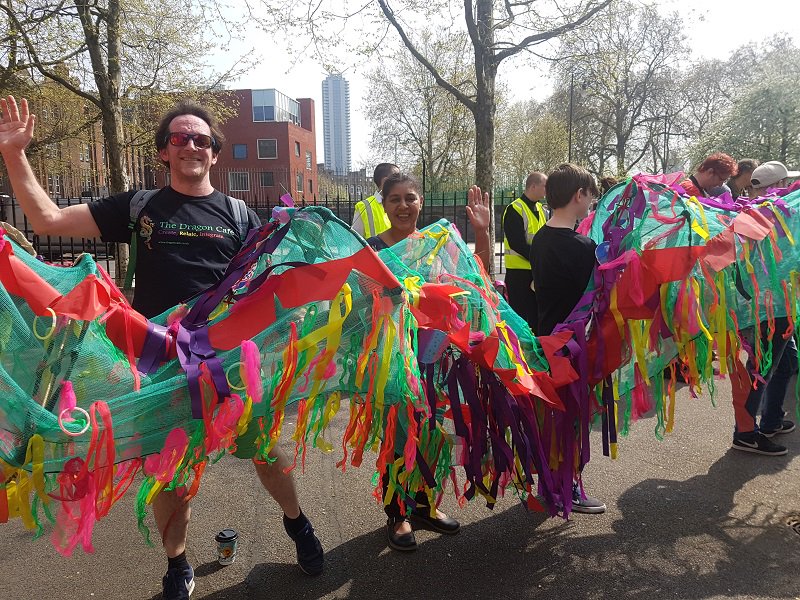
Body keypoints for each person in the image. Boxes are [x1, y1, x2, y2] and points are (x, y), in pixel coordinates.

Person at [0, 96, 324, 599]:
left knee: (263, 449)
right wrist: (14, 153)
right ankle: (177, 564)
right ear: (164, 151)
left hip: (227, 361)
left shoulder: (240, 214)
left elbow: (268, 286)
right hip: (160, 363)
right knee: (169, 470)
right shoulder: (139, 206)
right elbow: (46, 220)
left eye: (201, 139)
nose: (191, 145)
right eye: (180, 138)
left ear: (214, 152)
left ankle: (298, 523)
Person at [366, 172, 491, 550]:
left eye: (410, 198)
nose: (403, 206)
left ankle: (423, 505)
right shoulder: (372, 249)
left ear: (420, 202)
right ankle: (398, 513)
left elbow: (476, 278)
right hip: (393, 358)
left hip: (435, 358)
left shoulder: (436, 244)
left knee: (431, 430)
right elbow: (360, 305)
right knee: (399, 434)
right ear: (384, 205)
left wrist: (482, 231)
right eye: (395, 199)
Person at [529, 163, 606, 514]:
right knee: (571, 418)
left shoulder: (541, 238)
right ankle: (567, 487)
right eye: (590, 196)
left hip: (546, 339)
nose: (591, 203)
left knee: (552, 417)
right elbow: (597, 297)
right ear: (578, 195)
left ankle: (552, 484)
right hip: (572, 346)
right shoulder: (583, 247)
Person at [730, 160, 799, 456]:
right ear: (778, 186)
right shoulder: (762, 216)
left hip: (778, 307)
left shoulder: (762, 214)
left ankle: (771, 419)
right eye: (787, 183)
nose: (790, 188)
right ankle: (745, 433)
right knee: (760, 369)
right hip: (768, 310)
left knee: (786, 363)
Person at [502, 172, 548, 333]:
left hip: (536, 271)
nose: (547, 190)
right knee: (519, 318)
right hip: (518, 273)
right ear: (533, 186)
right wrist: (539, 258)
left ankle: (536, 346)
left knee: (537, 317)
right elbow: (517, 243)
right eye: (545, 186)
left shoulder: (542, 210)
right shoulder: (514, 209)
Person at [351, 162, 399, 238]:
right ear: (385, 181)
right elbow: (355, 241)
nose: (400, 181)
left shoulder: (401, 204)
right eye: (397, 178)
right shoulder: (364, 207)